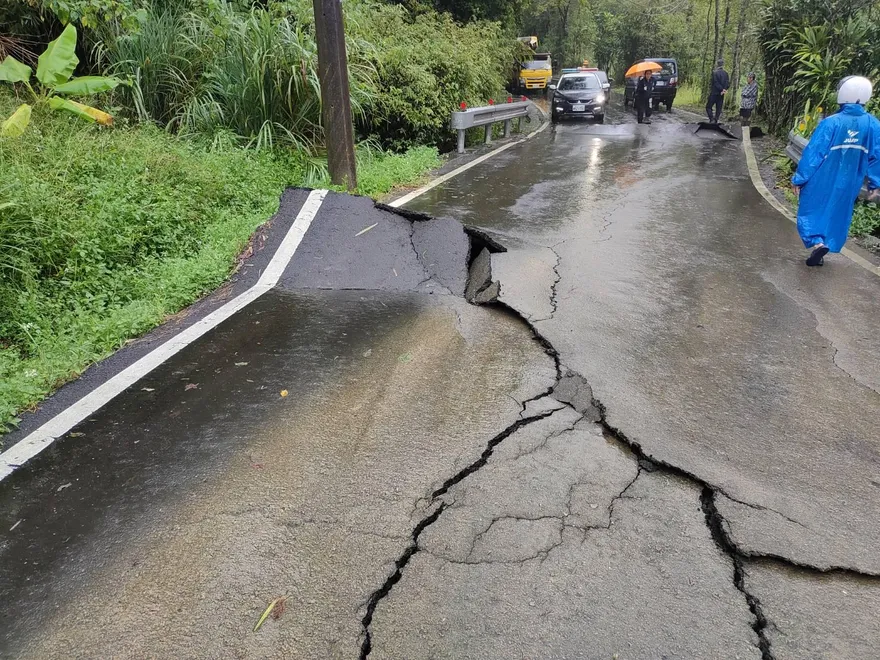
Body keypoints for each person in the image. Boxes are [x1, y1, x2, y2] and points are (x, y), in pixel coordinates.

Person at [792, 75, 880, 266]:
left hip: (823, 177)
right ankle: (823, 247)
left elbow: (813, 153)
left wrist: (799, 179)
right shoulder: (873, 125)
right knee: (836, 213)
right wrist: (875, 183)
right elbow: (877, 155)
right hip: (849, 181)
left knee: (811, 208)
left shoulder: (831, 122)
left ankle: (817, 243)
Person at [706, 59, 729, 123]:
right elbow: (727, 83)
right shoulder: (726, 73)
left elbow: (715, 83)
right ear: (723, 65)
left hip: (714, 93)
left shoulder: (715, 73)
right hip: (721, 94)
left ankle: (712, 119)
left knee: (708, 107)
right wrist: (724, 89)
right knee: (719, 108)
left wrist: (722, 89)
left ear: (717, 64)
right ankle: (716, 120)